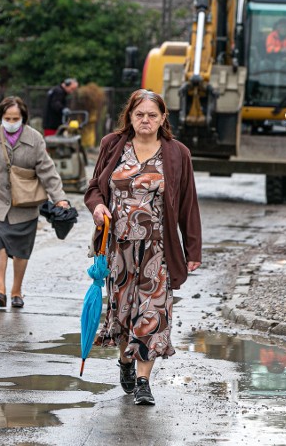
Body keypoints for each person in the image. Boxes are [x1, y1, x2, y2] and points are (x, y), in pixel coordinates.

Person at [84, 89, 202, 406]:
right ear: (130, 117)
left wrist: (193, 251)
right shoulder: (113, 145)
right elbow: (95, 188)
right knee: (123, 313)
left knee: (153, 313)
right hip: (118, 248)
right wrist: (97, 207)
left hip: (158, 250)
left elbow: (189, 204)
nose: (146, 120)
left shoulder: (177, 154)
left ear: (163, 117)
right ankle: (125, 360)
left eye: (152, 115)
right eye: (140, 114)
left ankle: (143, 381)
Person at [0, 96, 71, 309]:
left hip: (25, 204)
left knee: (21, 249)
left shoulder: (35, 139)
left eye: (15, 118)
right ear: (1, 117)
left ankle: (16, 291)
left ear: (23, 118)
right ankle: (0, 290)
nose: (11, 121)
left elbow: (47, 171)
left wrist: (59, 199)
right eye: (7, 117)